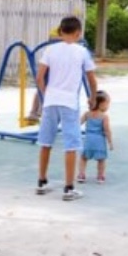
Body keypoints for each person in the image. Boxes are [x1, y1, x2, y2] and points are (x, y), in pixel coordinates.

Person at [36, 15, 98, 201]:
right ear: (78, 33)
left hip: (51, 101)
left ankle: (41, 182)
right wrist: (92, 97)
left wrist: (46, 94)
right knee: (71, 144)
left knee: (46, 142)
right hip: (69, 102)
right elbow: (91, 79)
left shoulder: (50, 49)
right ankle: (69, 187)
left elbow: (39, 77)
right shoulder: (82, 52)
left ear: (60, 31)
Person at [77, 91, 113, 184]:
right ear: (101, 104)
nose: (108, 106)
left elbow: (77, 124)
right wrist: (110, 142)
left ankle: (81, 174)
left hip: (88, 140)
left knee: (84, 157)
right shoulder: (104, 117)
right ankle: (100, 176)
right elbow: (107, 130)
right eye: (107, 104)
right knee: (101, 159)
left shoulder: (87, 114)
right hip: (99, 141)